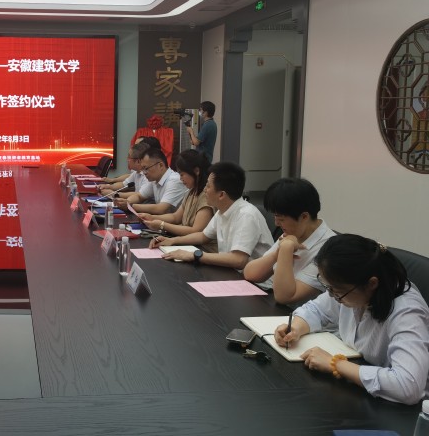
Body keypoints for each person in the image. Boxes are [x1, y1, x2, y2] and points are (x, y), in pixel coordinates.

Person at [275, 234, 429, 405]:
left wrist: (335, 364)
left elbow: (408, 385)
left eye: (337, 291)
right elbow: (317, 309)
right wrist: (295, 328)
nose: (332, 296)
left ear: (371, 284)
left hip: (397, 408)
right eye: (328, 288)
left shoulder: (407, 312)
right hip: (359, 387)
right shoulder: (351, 287)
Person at [157, 161, 273, 270]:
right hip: (233, 274)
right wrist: (173, 241)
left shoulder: (246, 215)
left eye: (208, 186)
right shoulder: (222, 210)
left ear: (221, 195)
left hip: (257, 282)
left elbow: (238, 260)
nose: (205, 190)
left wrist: (195, 255)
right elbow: (203, 236)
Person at [244, 178, 335, 304]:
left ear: (304, 216)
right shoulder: (293, 233)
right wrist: (276, 254)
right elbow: (250, 274)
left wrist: (286, 249)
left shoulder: (329, 248)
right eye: (275, 216)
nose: (276, 223)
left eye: (281, 219)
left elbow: (285, 297)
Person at [138, 150, 218, 253]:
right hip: (189, 245)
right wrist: (152, 217)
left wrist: (162, 225)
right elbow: (175, 217)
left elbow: (195, 231)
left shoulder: (206, 196)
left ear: (196, 171)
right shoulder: (191, 192)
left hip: (204, 250)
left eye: (182, 174)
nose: (180, 179)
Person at [115, 147, 187, 214]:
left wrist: (130, 205)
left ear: (160, 165)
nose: (144, 172)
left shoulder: (174, 180)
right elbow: (139, 196)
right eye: (142, 169)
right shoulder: (154, 179)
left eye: (146, 168)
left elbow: (160, 209)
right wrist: (128, 201)